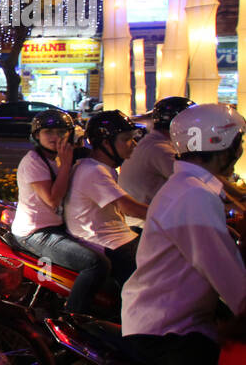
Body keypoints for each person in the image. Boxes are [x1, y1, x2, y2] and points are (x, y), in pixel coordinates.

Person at [121, 104, 246, 365]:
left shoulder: (189, 186)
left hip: (168, 320)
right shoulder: (194, 196)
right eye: (238, 144)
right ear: (225, 147)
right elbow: (229, 278)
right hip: (170, 332)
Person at [10, 109, 109, 313]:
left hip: (57, 226)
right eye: (49, 132)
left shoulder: (59, 157)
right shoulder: (34, 162)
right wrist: (66, 165)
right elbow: (53, 200)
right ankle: (73, 317)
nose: (56, 137)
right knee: (95, 264)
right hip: (35, 233)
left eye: (61, 132)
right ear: (37, 135)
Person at [63, 111, 147, 294]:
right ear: (106, 143)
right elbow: (130, 208)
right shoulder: (94, 172)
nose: (133, 144)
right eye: (126, 139)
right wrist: (172, 213)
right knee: (149, 287)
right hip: (104, 242)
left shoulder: (97, 167)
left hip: (111, 235)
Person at [120, 96, 194, 205]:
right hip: (148, 218)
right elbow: (193, 182)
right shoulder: (161, 150)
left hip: (147, 215)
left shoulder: (151, 143)